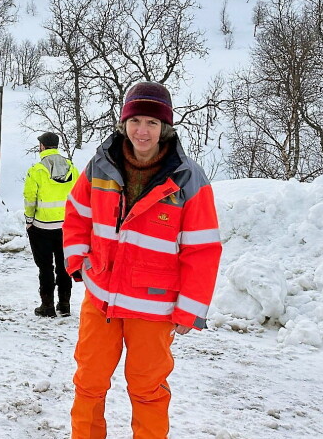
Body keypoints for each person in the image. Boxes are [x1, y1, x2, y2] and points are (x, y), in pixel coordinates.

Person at [63, 81, 222, 439]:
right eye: (136, 121)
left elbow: (202, 249)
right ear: (124, 124)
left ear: (164, 127)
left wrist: (189, 309)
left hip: (154, 308)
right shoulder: (101, 166)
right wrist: (79, 262)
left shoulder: (188, 178)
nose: (142, 131)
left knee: (147, 390)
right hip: (101, 298)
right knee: (88, 382)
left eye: (151, 122)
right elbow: (76, 214)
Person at [23, 131, 79, 318]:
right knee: (64, 265)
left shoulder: (37, 170)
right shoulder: (72, 168)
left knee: (45, 267)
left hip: (42, 226)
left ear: (42, 146)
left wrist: (29, 220)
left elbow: (30, 199)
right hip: (66, 226)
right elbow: (79, 195)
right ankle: (64, 304)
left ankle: (47, 306)